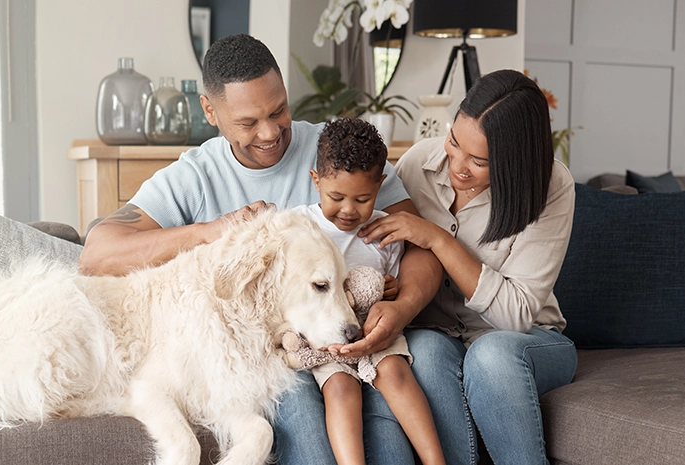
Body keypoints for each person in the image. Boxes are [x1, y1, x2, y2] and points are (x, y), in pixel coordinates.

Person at [78, 34, 442, 463]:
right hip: (267, 361)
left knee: (414, 383)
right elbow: (96, 255)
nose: (270, 132)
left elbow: (422, 245)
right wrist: (211, 231)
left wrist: (404, 308)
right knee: (299, 407)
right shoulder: (194, 176)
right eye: (249, 122)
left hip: (359, 334)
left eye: (279, 110)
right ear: (210, 111)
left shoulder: (336, 153)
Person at [358, 69, 579, 464]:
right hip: (439, 334)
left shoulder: (550, 186)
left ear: (515, 161)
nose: (457, 165)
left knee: (490, 355)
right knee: (420, 349)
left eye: (478, 161)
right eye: (454, 143)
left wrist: (438, 239)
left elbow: (515, 315)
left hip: (525, 340)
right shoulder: (416, 165)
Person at [291, 117, 445, 465]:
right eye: (336, 197)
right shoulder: (300, 226)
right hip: (329, 335)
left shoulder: (383, 231)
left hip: (374, 327)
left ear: (380, 186)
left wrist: (391, 289)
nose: (348, 210)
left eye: (362, 198)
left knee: (395, 372)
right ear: (316, 181)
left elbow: (389, 285)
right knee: (340, 388)